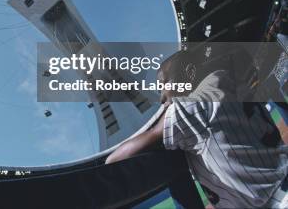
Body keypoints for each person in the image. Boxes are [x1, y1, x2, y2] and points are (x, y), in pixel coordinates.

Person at [105, 48, 288, 208]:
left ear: (190, 73)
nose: (162, 97)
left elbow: (114, 160)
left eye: (163, 85)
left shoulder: (192, 106)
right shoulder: (225, 81)